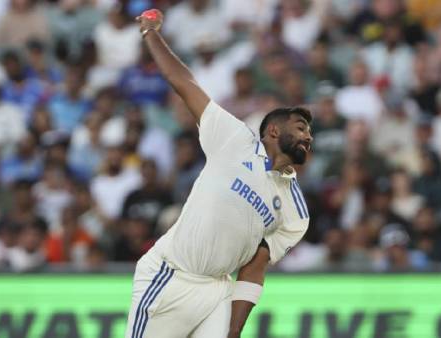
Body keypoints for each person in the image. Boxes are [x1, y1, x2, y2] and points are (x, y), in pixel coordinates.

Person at [126, 9, 313, 338]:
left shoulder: (297, 211)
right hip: (171, 275)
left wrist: (234, 330)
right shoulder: (235, 139)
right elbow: (185, 84)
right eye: (300, 128)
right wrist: (151, 34)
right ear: (271, 132)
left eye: (310, 132)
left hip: (217, 292)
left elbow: (255, 267)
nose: (308, 136)